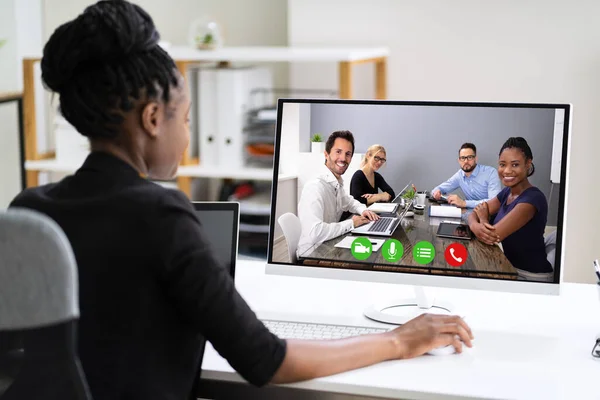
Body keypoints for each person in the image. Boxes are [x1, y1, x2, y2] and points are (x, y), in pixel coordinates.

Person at [8, 2, 472, 399]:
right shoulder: (162, 216)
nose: (188, 135)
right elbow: (267, 360)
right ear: (152, 118)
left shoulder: (30, 211)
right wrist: (398, 341)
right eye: (186, 118)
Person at [468, 137, 553, 282]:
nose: (507, 171)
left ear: (528, 164)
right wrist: (476, 222)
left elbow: (491, 237)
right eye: (502, 164)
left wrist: (481, 218)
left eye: (515, 165)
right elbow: (474, 213)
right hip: (510, 267)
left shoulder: (532, 199)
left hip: (531, 276)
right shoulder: (508, 192)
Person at [296, 131, 381, 256]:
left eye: (348, 154)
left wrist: (363, 210)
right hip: (312, 255)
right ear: (326, 154)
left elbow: (349, 201)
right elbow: (315, 233)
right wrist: (351, 223)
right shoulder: (315, 187)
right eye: (338, 152)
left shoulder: (336, 183)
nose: (343, 158)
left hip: (330, 247)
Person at [432, 143, 501, 209]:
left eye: (469, 157)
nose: (466, 161)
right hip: (471, 215)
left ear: (475, 158)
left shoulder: (490, 173)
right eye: (462, 158)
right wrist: (438, 193)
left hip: (491, 216)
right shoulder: (459, 175)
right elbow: (437, 189)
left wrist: (464, 203)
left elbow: (494, 202)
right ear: (459, 160)